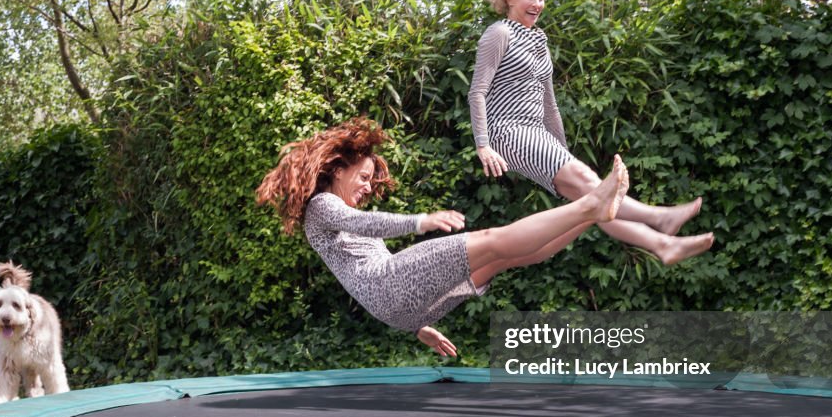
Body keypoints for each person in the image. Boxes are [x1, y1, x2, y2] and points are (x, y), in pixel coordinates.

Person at [256, 118, 629, 356]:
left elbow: (362, 263)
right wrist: (421, 221)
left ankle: (591, 213)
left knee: (506, 257)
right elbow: (370, 226)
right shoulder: (321, 206)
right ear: (338, 171)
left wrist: (417, 325)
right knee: (491, 238)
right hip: (390, 286)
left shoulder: (335, 213)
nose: (369, 188)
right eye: (364, 177)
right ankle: (590, 204)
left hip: (403, 310)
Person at [469, 0, 714, 266]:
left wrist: (562, 150)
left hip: (537, 132)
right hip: (508, 131)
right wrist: (483, 144)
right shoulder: (499, 33)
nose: (537, 4)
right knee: (590, 182)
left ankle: (663, 245)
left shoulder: (540, 40)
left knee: (593, 200)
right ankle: (660, 217)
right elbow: (477, 91)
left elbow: (549, 103)